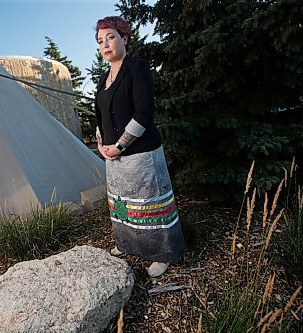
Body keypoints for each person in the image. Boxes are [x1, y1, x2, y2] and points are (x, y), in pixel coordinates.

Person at [94, 16, 185, 277]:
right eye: (100, 41)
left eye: (110, 37)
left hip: (140, 152)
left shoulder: (137, 68)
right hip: (113, 156)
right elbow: (100, 115)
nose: (105, 44)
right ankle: (128, 243)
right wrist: (102, 145)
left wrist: (119, 146)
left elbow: (144, 114)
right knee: (124, 204)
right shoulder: (104, 78)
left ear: (124, 38)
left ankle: (163, 253)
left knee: (149, 205)